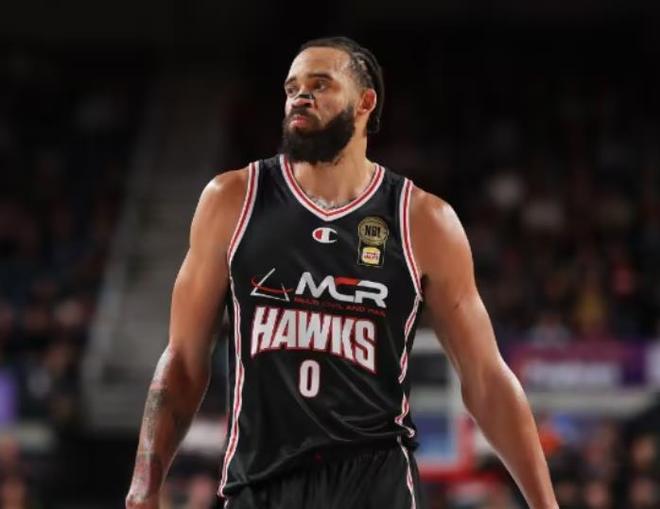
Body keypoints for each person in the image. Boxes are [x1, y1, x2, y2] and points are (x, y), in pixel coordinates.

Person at [125, 36, 558, 509]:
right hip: (262, 484)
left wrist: (545, 504)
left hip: (375, 486)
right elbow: (184, 360)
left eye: (320, 84)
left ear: (365, 102)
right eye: (292, 87)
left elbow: (487, 379)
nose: (300, 96)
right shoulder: (233, 200)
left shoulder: (422, 220)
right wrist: (144, 485)